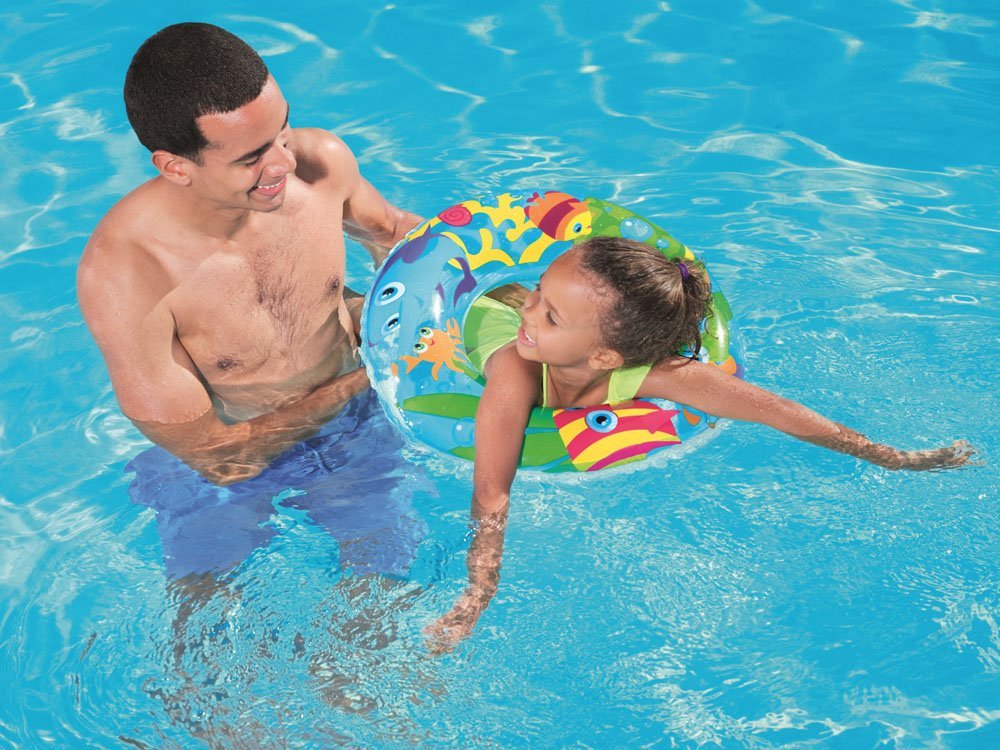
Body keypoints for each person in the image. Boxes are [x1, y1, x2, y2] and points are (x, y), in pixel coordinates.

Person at [424, 235, 975, 651]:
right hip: (484, 315)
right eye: (539, 293)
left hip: (583, 348)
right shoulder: (514, 370)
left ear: (606, 359)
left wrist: (890, 458)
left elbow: (779, 413)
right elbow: (492, 493)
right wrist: (478, 595)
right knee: (424, 250)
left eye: (549, 313)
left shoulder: (652, 373)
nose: (531, 311)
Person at [77, 22, 424, 484]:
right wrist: (376, 374)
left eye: (283, 131)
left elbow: (396, 236)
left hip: (358, 417)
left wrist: (494, 303)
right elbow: (214, 458)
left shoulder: (319, 164)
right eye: (251, 158)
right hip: (234, 468)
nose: (285, 163)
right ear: (176, 168)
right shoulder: (127, 272)